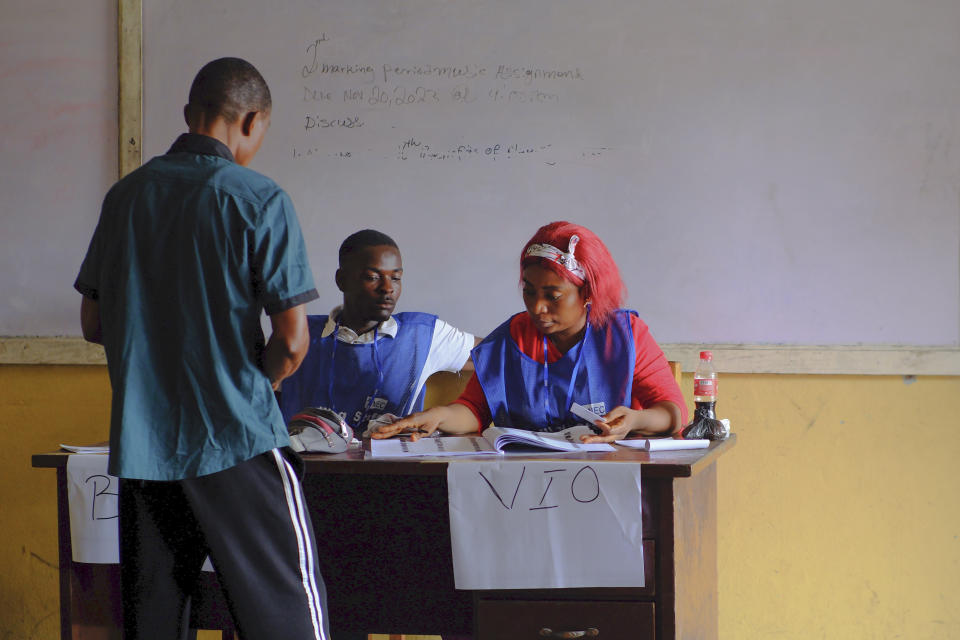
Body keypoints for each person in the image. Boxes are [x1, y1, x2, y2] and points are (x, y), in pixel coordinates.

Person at [74, 57, 330, 640]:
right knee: (285, 608)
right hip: (234, 435)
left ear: (189, 115)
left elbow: (93, 322)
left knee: (158, 620)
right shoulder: (258, 198)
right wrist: (253, 380)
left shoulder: (125, 197)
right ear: (253, 120)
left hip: (146, 443)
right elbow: (292, 342)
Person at [372, 221, 687, 441]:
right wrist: (439, 416)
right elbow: (474, 410)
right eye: (529, 291)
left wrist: (636, 419)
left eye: (553, 295)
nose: (537, 307)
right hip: (523, 486)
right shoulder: (512, 337)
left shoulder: (624, 336)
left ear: (588, 293)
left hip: (610, 480)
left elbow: (673, 412)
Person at [279, 229, 477, 437]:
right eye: (373, 277)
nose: (387, 288)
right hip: (308, 465)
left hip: (391, 466)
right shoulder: (299, 334)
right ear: (341, 280)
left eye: (396, 278)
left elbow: (500, 356)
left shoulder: (422, 335)